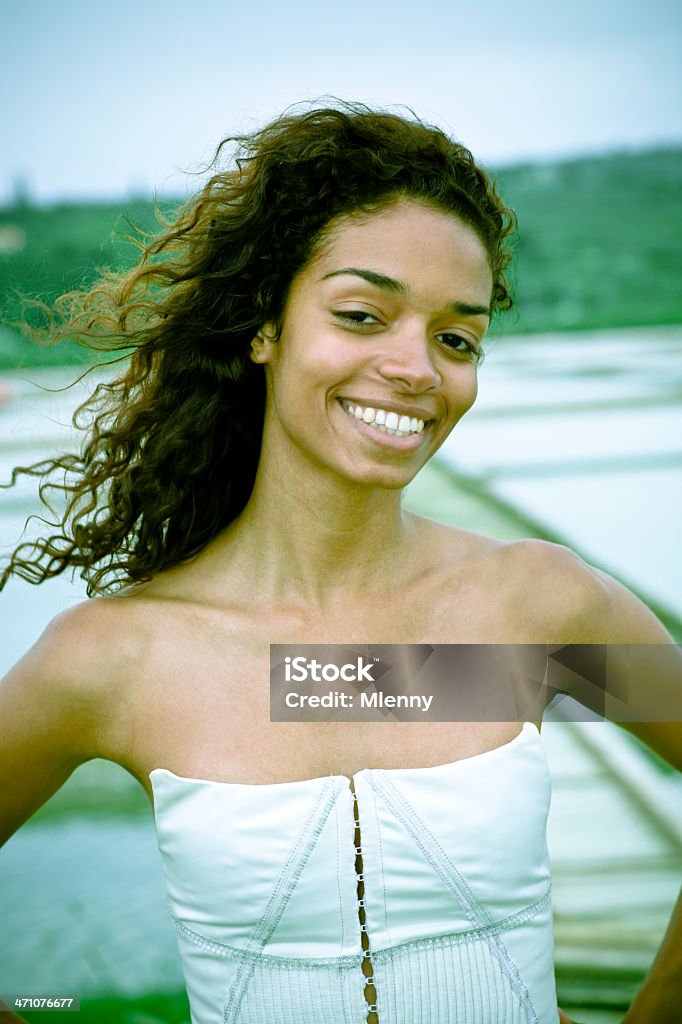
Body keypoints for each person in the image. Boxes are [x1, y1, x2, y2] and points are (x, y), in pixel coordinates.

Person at [0, 102, 680, 1024]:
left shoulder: (539, 611)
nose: (416, 368)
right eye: (362, 314)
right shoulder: (118, 659)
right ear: (264, 327)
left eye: (457, 338)